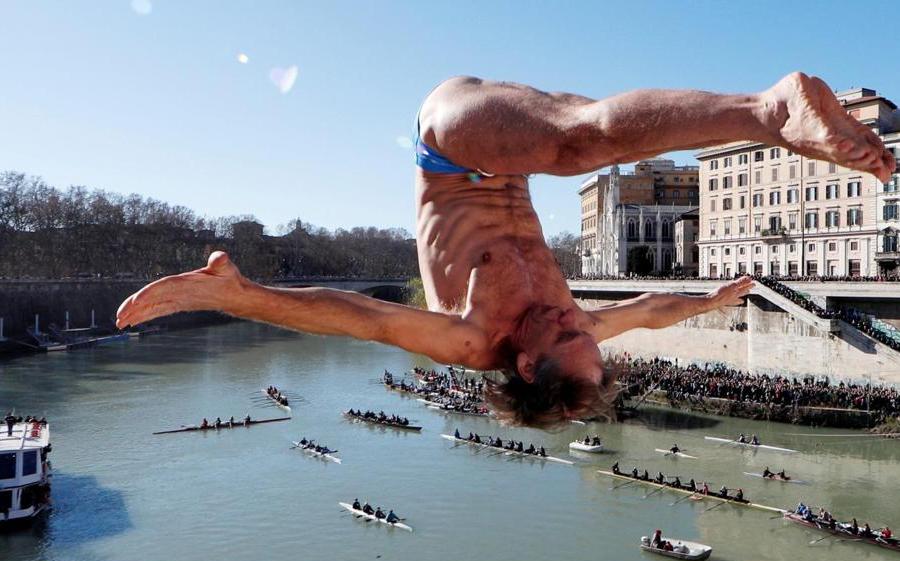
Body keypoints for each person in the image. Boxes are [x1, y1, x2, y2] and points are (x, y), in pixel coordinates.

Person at [117, 74, 895, 428]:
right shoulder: (576, 337)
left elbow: (357, 317)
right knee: (580, 140)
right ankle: (770, 111)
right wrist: (713, 301)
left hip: (450, 144)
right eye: (584, 327)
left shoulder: (467, 338)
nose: (578, 316)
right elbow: (648, 311)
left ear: (525, 364)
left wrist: (242, 298)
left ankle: (771, 111)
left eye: (567, 329)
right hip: (512, 152)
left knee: (579, 143)